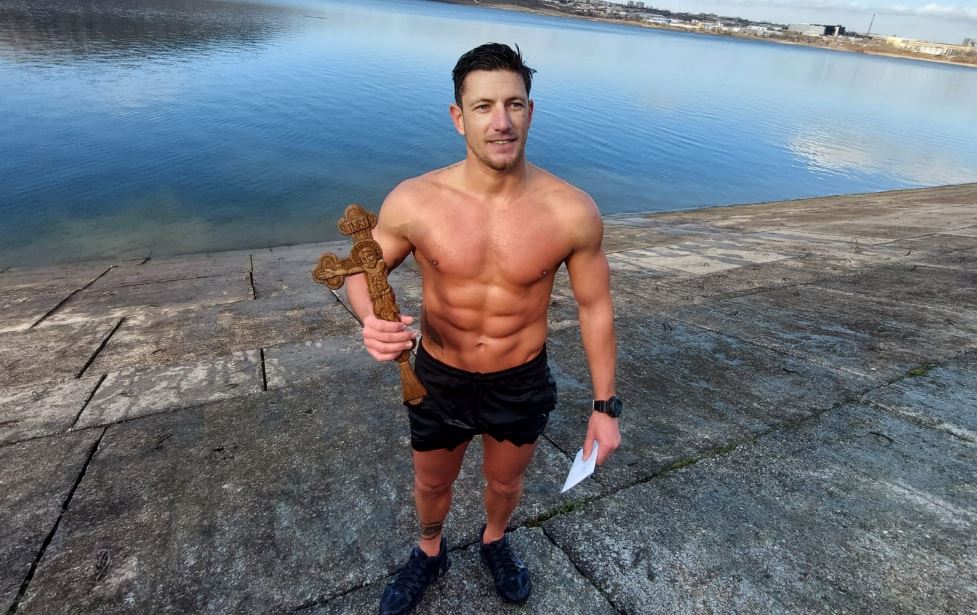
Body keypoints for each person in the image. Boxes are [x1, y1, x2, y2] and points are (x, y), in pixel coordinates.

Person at [345, 42, 621, 615]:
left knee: (504, 483)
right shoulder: (415, 200)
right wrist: (371, 319)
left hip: (519, 380)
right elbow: (359, 269)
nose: (501, 122)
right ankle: (429, 550)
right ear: (458, 117)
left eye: (514, 105)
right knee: (432, 484)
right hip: (438, 378)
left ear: (530, 111)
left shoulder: (571, 210)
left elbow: (595, 307)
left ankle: (495, 540)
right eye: (484, 106)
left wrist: (605, 407)